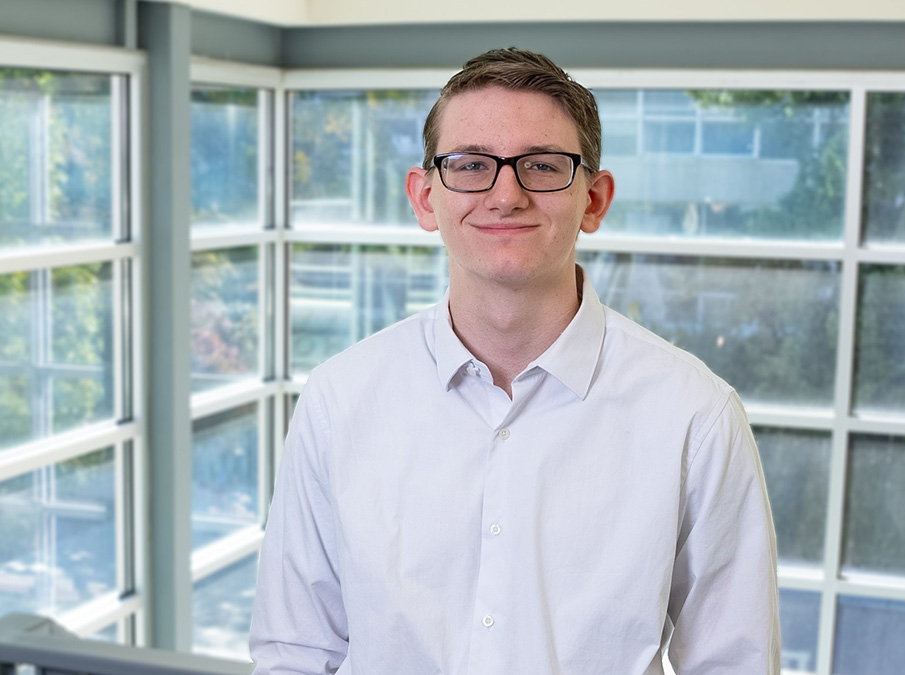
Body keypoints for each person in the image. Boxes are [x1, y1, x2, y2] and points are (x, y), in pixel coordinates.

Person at [249, 48, 780, 674]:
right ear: (425, 199)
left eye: (542, 166)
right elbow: (297, 653)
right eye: (471, 165)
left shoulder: (696, 416)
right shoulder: (339, 399)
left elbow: (733, 665)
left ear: (594, 200)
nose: (506, 194)